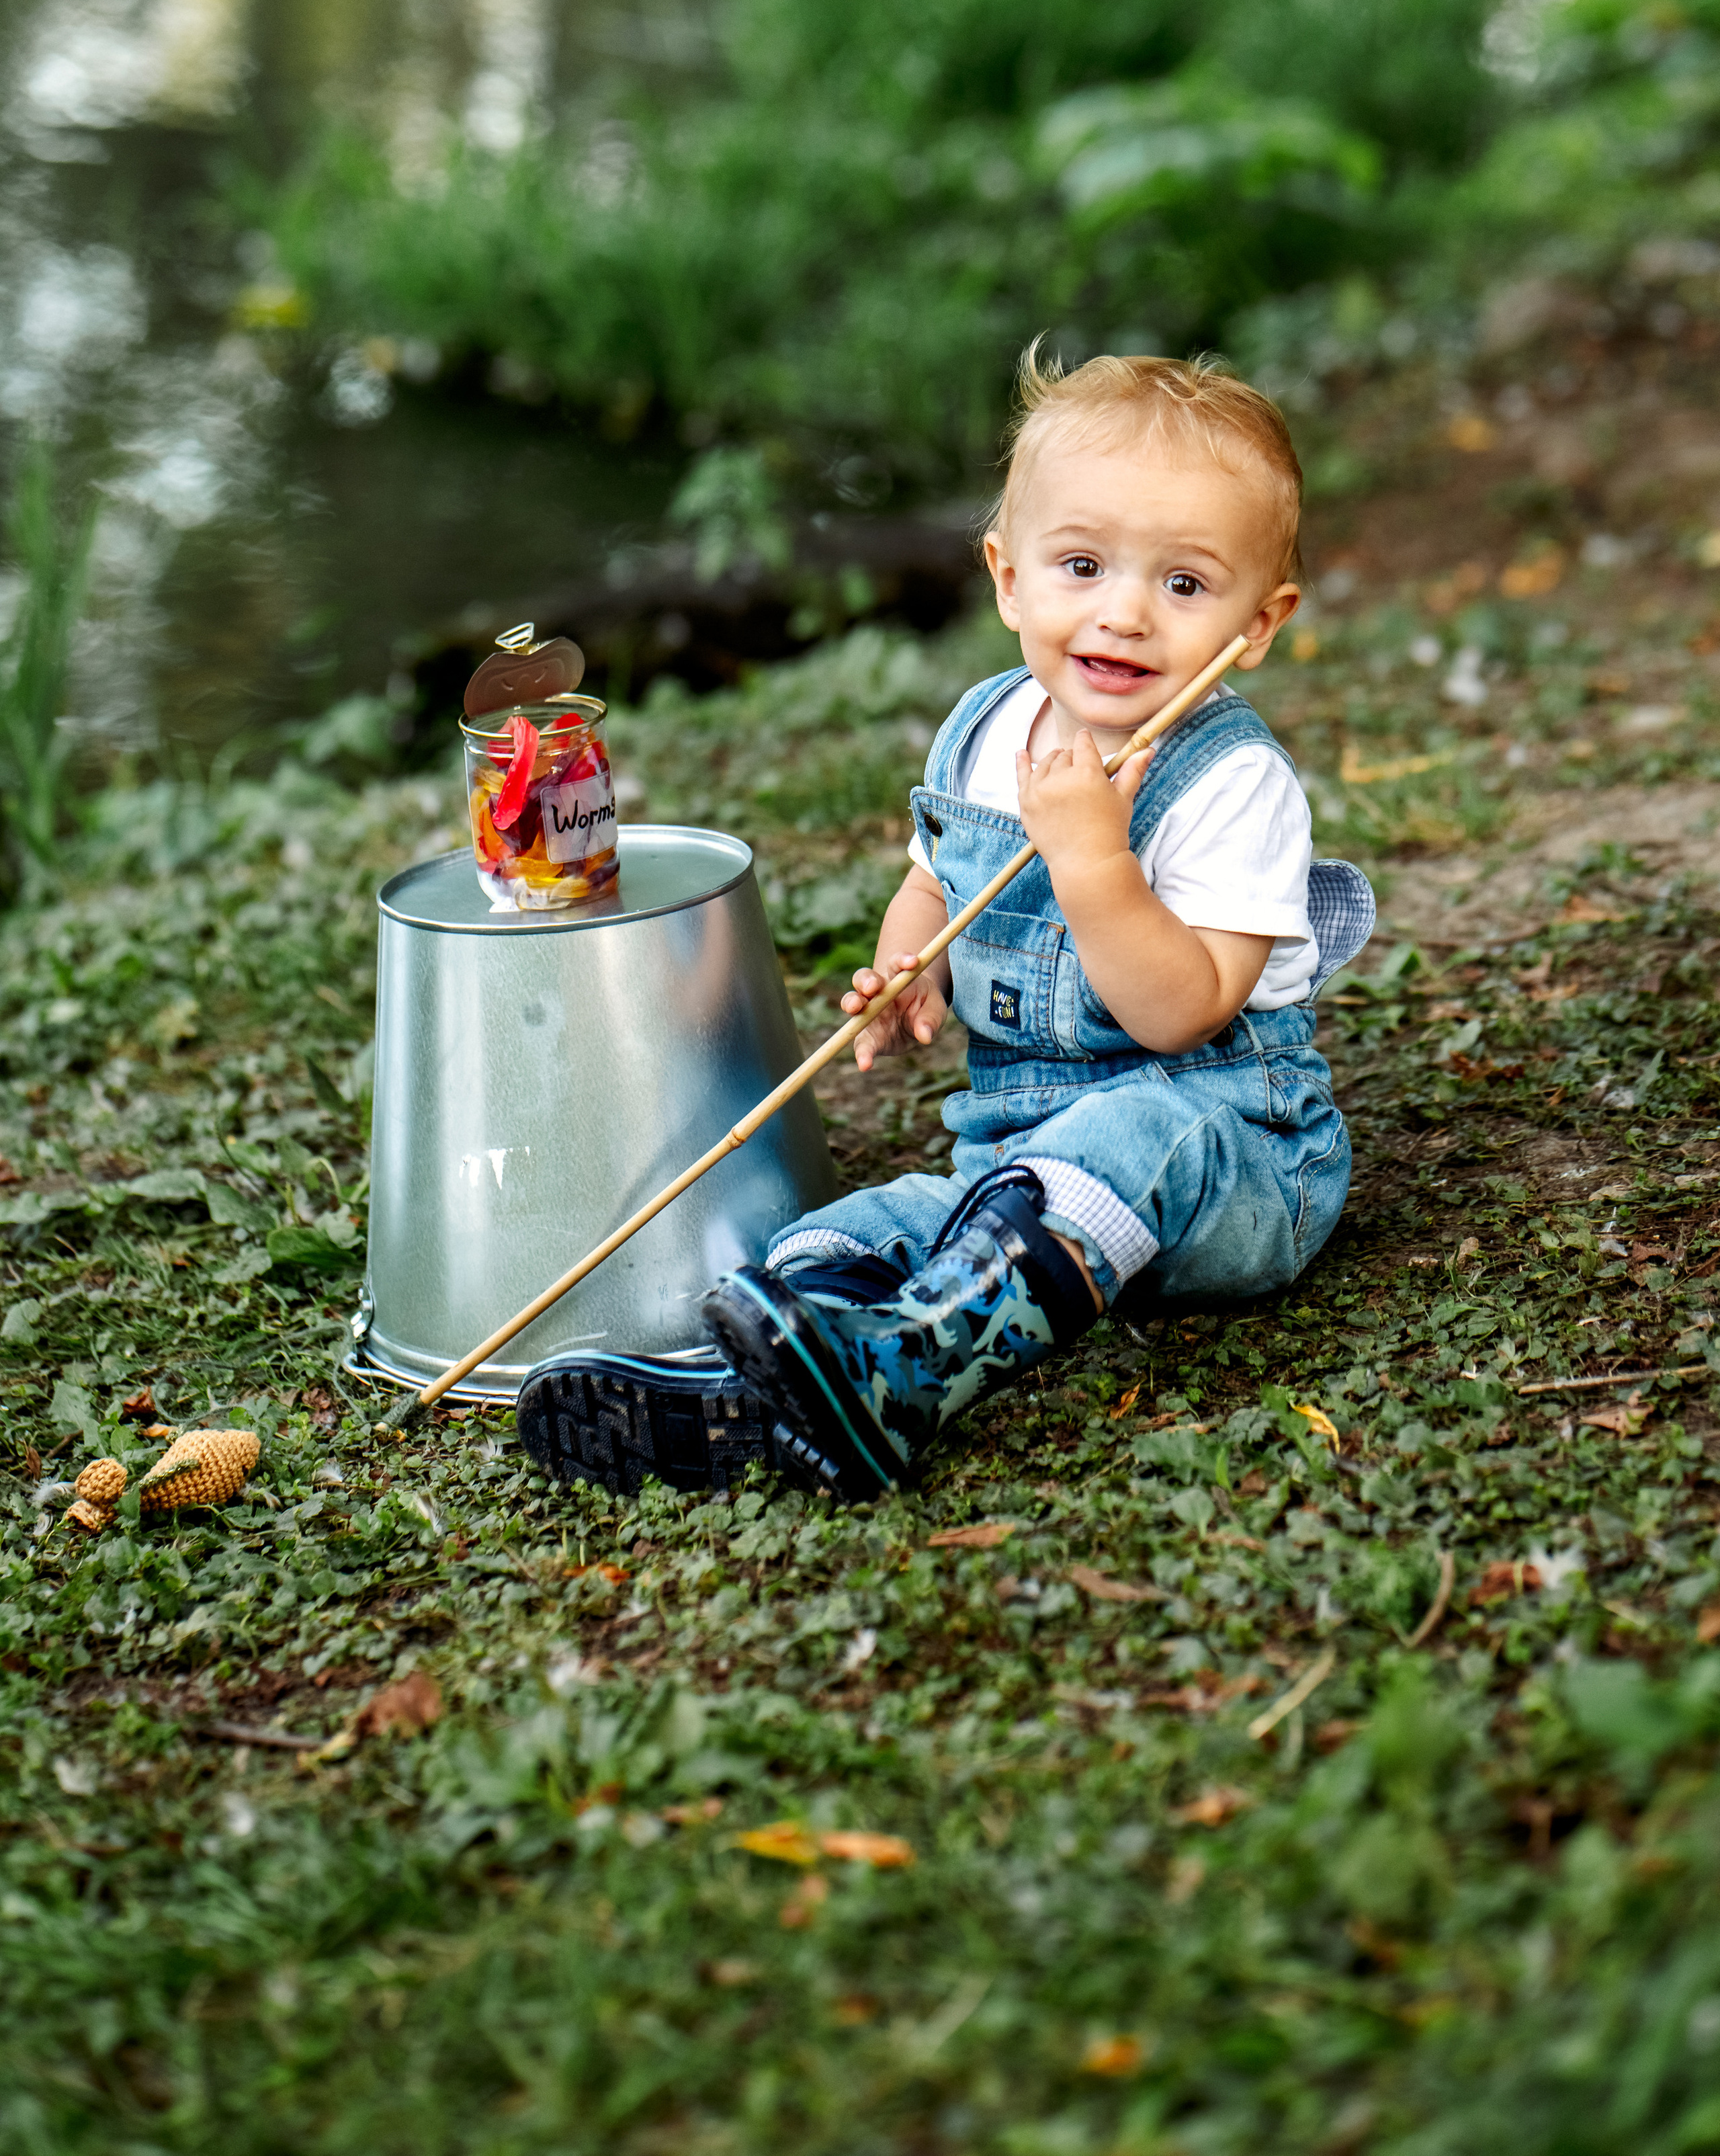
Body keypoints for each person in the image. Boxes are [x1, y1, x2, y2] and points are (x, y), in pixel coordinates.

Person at [517, 350, 1373, 1504]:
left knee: (1133, 1135)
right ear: (1009, 579)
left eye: (1184, 584)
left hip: (1228, 1162)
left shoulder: (1231, 783)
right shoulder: (985, 730)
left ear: (1257, 625)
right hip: (1009, 1171)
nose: (1123, 611)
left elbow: (1181, 1013)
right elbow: (937, 880)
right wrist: (910, 961)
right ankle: (765, 1385)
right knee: (843, 1235)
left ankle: (911, 1364)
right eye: (1082, 565)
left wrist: (1093, 859)